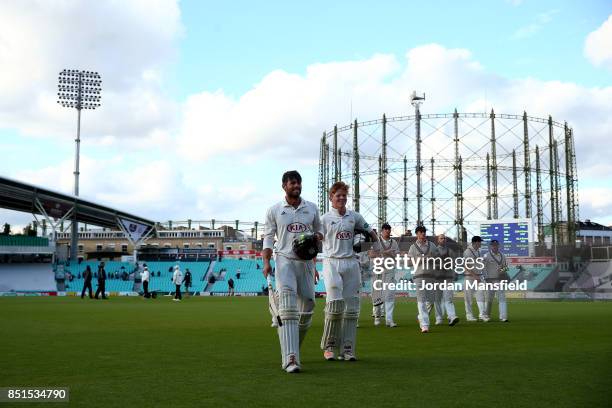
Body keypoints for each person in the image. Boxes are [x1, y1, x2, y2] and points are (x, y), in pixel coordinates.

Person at [262, 170, 322, 374]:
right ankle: (290, 359)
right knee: (288, 306)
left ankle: (294, 345)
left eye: (299, 183)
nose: (296, 186)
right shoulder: (275, 210)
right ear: (284, 186)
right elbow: (268, 238)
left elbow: (319, 234)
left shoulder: (312, 208)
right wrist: (266, 262)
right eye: (292, 183)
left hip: (305, 262)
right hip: (284, 259)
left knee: (308, 304)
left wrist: (313, 244)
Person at [320, 181, 377, 361]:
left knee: (351, 308)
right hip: (332, 262)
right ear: (331, 197)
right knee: (335, 305)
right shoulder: (325, 219)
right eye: (338, 195)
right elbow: (317, 238)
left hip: (351, 262)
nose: (342, 198)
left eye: (344, 195)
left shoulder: (354, 217)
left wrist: (374, 247)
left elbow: (371, 233)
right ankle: (329, 346)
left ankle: (348, 349)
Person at [407, 226, 439, 333]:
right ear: (417, 234)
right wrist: (419, 259)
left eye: (424, 232)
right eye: (421, 232)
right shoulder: (413, 247)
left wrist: (432, 259)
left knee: (431, 301)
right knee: (421, 300)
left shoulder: (433, 246)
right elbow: (408, 263)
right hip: (419, 276)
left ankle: (421, 317)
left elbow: (438, 259)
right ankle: (425, 325)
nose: (423, 234)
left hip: (431, 276)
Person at [371, 223, 399, 327]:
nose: (388, 231)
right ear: (382, 231)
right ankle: (377, 316)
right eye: (386, 229)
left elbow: (396, 255)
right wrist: (385, 253)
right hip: (377, 270)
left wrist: (391, 254)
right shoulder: (375, 241)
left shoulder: (394, 242)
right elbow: (371, 254)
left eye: (389, 229)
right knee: (377, 293)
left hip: (389, 270)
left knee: (390, 294)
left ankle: (389, 319)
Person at [433, 234, 460, 326]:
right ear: (438, 240)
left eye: (444, 238)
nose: (443, 240)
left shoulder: (450, 251)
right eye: (441, 238)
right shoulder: (433, 251)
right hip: (437, 278)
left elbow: (454, 264)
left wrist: (454, 273)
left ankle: (452, 317)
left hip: (448, 278)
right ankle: (439, 317)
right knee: (437, 299)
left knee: (448, 299)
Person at [483, 240, 509, 322]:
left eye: (496, 245)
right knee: (489, 299)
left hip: (499, 280)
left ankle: (503, 317)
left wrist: (502, 270)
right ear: (491, 246)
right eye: (493, 245)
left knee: (502, 297)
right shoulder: (486, 256)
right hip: (490, 280)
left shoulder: (503, 255)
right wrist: (486, 278)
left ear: (498, 245)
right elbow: (483, 268)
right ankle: (486, 315)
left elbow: (506, 267)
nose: (495, 246)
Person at [463, 236, 487, 321]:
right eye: (480, 242)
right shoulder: (467, 252)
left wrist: (482, 275)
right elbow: (466, 265)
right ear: (476, 242)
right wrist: (475, 276)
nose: (481, 243)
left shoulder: (478, 252)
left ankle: (482, 315)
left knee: (481, 296)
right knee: (468, 298)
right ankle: (469, 316)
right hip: (470, 278)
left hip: (479, 277)